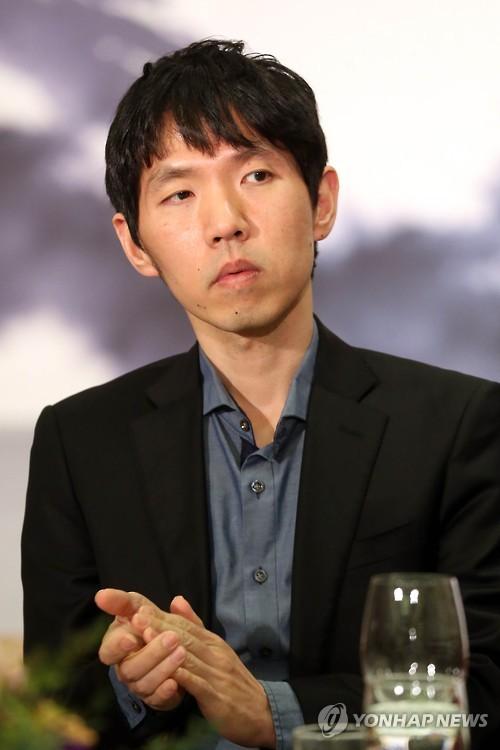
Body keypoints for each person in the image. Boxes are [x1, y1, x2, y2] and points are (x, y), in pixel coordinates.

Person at [22, 39, 500, 750]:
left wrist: (275, 712)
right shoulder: (80, 441)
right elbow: (52, 701)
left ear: (322, 202)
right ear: (135, 244)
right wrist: (130, 685)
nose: (226, 222)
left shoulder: (459, 426)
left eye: (256, 174)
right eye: (180, 193)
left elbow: (483, 694)